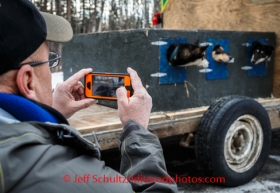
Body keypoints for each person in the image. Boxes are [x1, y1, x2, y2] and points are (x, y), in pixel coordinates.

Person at [0, 0, 178, 192]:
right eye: (49, 61)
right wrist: (138, 132)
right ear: (27, 81)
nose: (51, 70)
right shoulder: (76, 178)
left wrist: (49, 114)